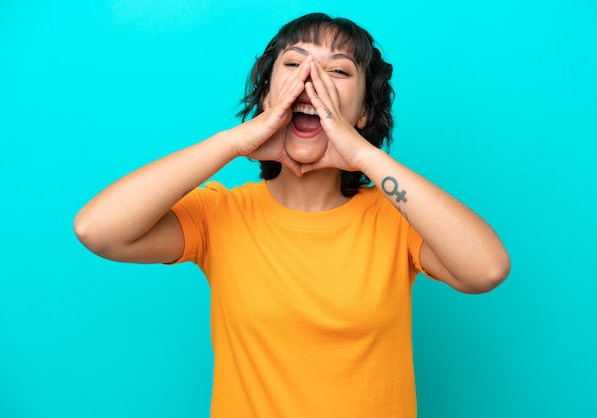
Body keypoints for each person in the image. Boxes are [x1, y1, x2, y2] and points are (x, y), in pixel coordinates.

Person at [74, 12, 510, 418]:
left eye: (337, 71)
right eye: (294, 64)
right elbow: (97, 229)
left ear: (362, 112)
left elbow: (486, 269)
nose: (311, 80)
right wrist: (233, 143)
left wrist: (363, 154)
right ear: (267, 95)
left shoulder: (398, 220)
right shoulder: (220, 214)